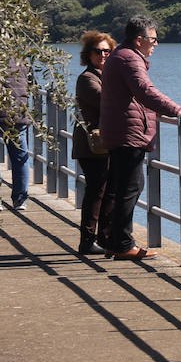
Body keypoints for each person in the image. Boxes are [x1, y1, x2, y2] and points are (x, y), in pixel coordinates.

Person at [100, 15, 181, 260]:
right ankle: (122, 243)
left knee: (120, 187)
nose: (156, 45)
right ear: (139, 40)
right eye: (154, 40)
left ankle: (110, 238)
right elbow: (145, 91)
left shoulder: (122, 56)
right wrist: (177, 111)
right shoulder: (129, 59)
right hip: (128, 133)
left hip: (122, 130)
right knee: (129, 187)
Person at [71, 31, 116, 254]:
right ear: (88, 54)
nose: (103, 55)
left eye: (108, 51)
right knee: (97, 192)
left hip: (105, 144)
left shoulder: (106, 76)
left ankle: (104, 238)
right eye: (98, 51)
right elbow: (107, 101)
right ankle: (88, 241)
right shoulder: (87, 79)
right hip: (92, 146)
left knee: (107, 191)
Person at [0, 59, 32, 213]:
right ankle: (20, 198)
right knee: (20, 157)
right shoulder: (22, 60)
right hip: (18, 113)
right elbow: (31, 84)